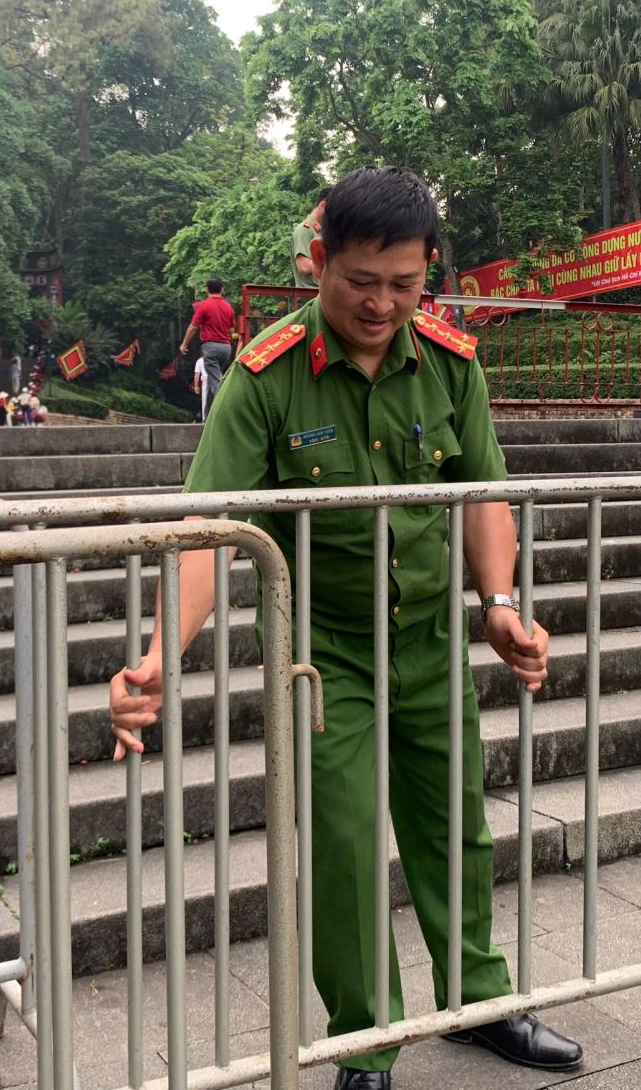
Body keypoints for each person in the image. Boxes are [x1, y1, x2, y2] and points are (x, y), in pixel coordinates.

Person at [108, 167, 581, 1090]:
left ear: (428, 269)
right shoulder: (268, 376)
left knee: (455, 825)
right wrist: (163, 655)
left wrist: (500, 605)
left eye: (405, 284)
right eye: (362, 280)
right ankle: (364, 1040)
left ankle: (478, 1001)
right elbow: (208, 528)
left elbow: (483, 493)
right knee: (343, 845)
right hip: (319, 655)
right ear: (319, 261)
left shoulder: (449, 362)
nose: (382, 304)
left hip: (427, 642)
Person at [179, 277, 236, 417]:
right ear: (222, 289)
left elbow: (193, 327)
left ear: (207, 290)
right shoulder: (228, 307)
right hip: (226, 348)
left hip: (211, 347)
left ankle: (227, 412)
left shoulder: (204, 306)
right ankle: (208, 416)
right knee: (213, 379)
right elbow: (231, 330)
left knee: (216, 382)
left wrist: (184, 344)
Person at [291, 187, 330, 289]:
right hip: (309, 293)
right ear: (322, 205)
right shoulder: (304, 230)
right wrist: (333, 265)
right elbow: (303, 266)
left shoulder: (322, 232)